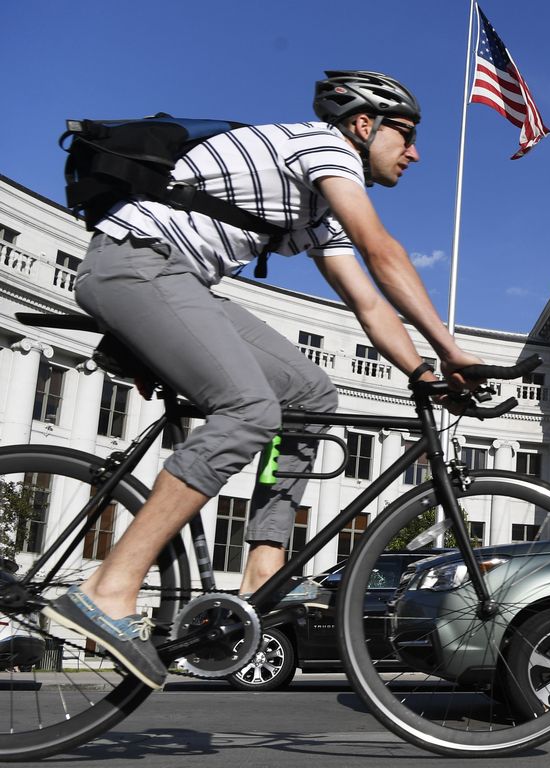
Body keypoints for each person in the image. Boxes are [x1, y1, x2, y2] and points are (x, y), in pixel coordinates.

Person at [42, 70, 484, 691]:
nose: (415, 153)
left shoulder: (315, 206)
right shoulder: (325, 149)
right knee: (249, 410)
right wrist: (453, 347)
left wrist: (424, 370)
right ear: (364, 125)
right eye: (405, 136)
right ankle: (106, 590)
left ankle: (263, 563)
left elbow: (369, 303)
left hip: (179, 281)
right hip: (137, 266)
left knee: (310, 394)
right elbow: (382, 251)